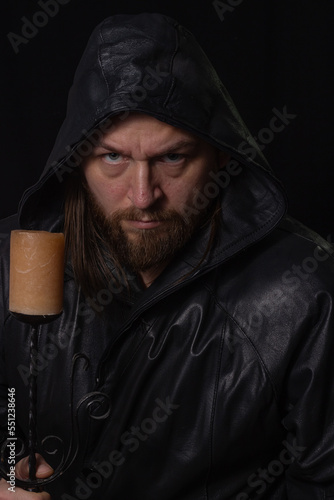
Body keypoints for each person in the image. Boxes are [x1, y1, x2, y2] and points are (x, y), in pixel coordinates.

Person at [0, 12, 333, 500]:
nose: (142, 195)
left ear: (220, 155)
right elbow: (7, 414)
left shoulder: (305, 292)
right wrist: (7, 467)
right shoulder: (10, 264)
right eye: (113, 157)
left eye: (172, 157)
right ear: (76, 162)